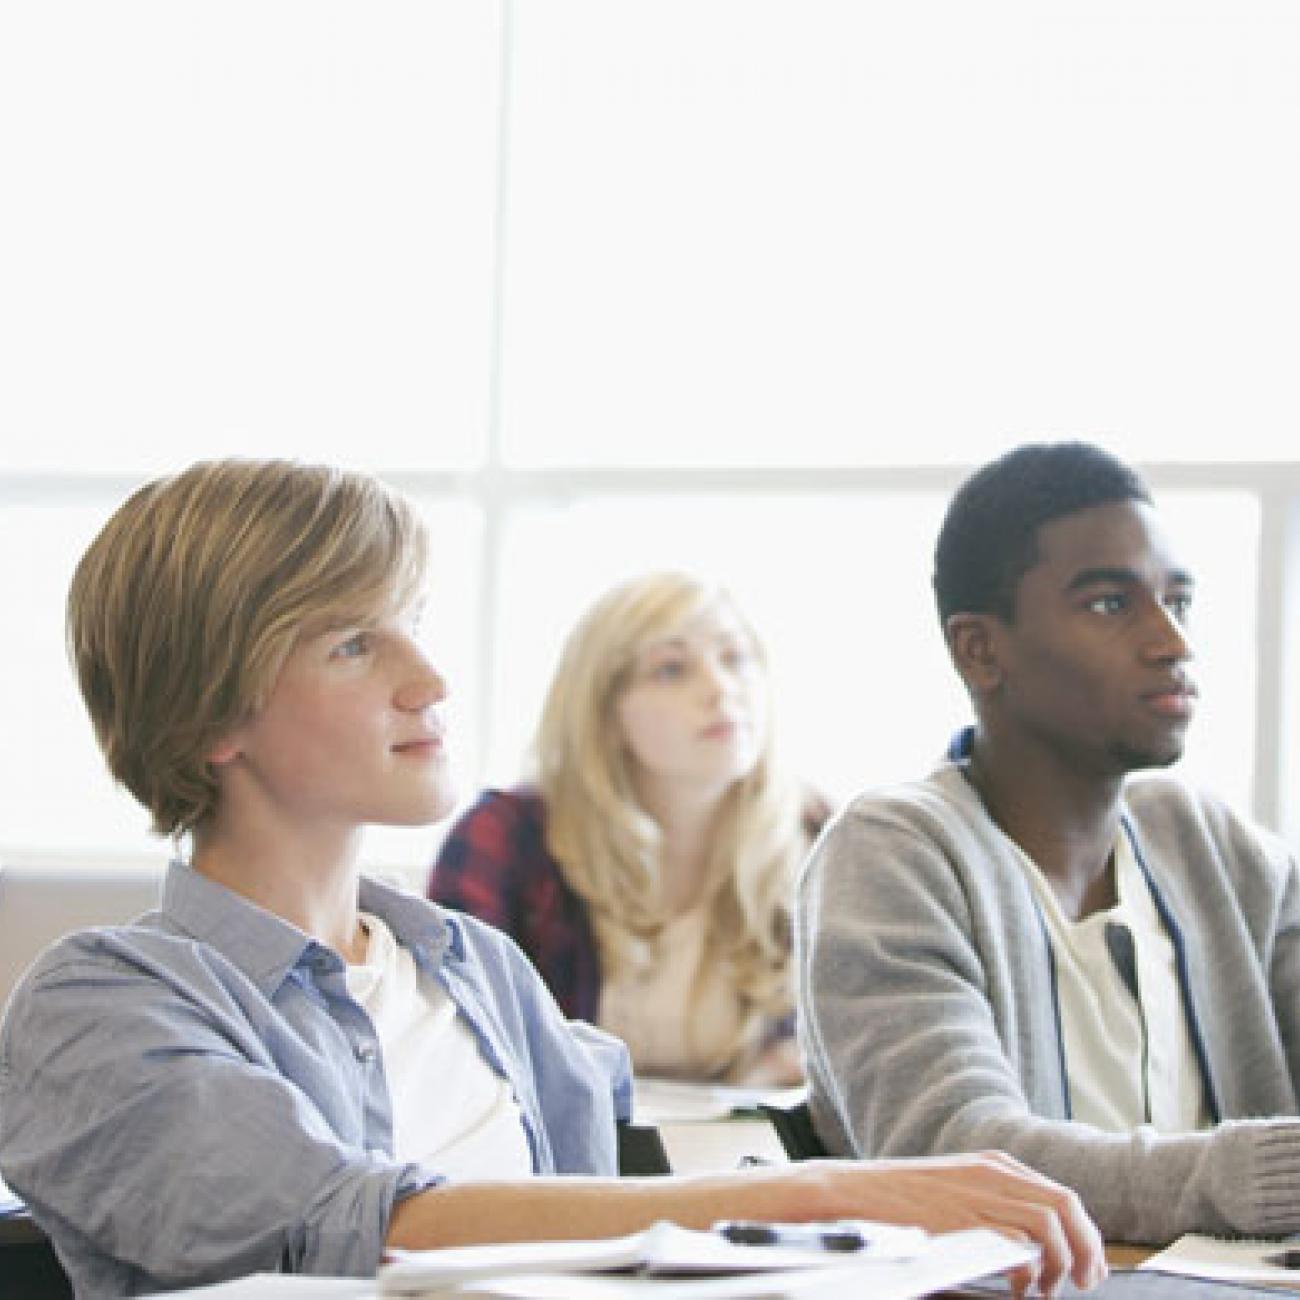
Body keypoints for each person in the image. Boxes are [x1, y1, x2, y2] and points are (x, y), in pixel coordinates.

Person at [0, 459, 1103, 1298]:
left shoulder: (475, 967)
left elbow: (609, 1252)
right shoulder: (100, 1007)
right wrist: (833, 1196)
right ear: (206, 717)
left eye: (415, 625)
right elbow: (347, 1223)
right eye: (352, 644)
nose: (429, 678)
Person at [797, 440, 1300, 1246]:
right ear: (981, 650)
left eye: (1178, 600)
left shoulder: (1218, 849)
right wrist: (1258, 1176)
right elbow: (958, 1156)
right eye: (1111, 603)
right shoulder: (893, 855)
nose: (1172, 641)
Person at [431, 571, 822, 1086]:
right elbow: (453, 1036)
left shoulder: (819, 836)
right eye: (672, 669)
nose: (722, 689)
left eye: (736, 658)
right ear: (605, 712)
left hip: (749, 1158)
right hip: (558, 1160)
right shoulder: (507, 837)